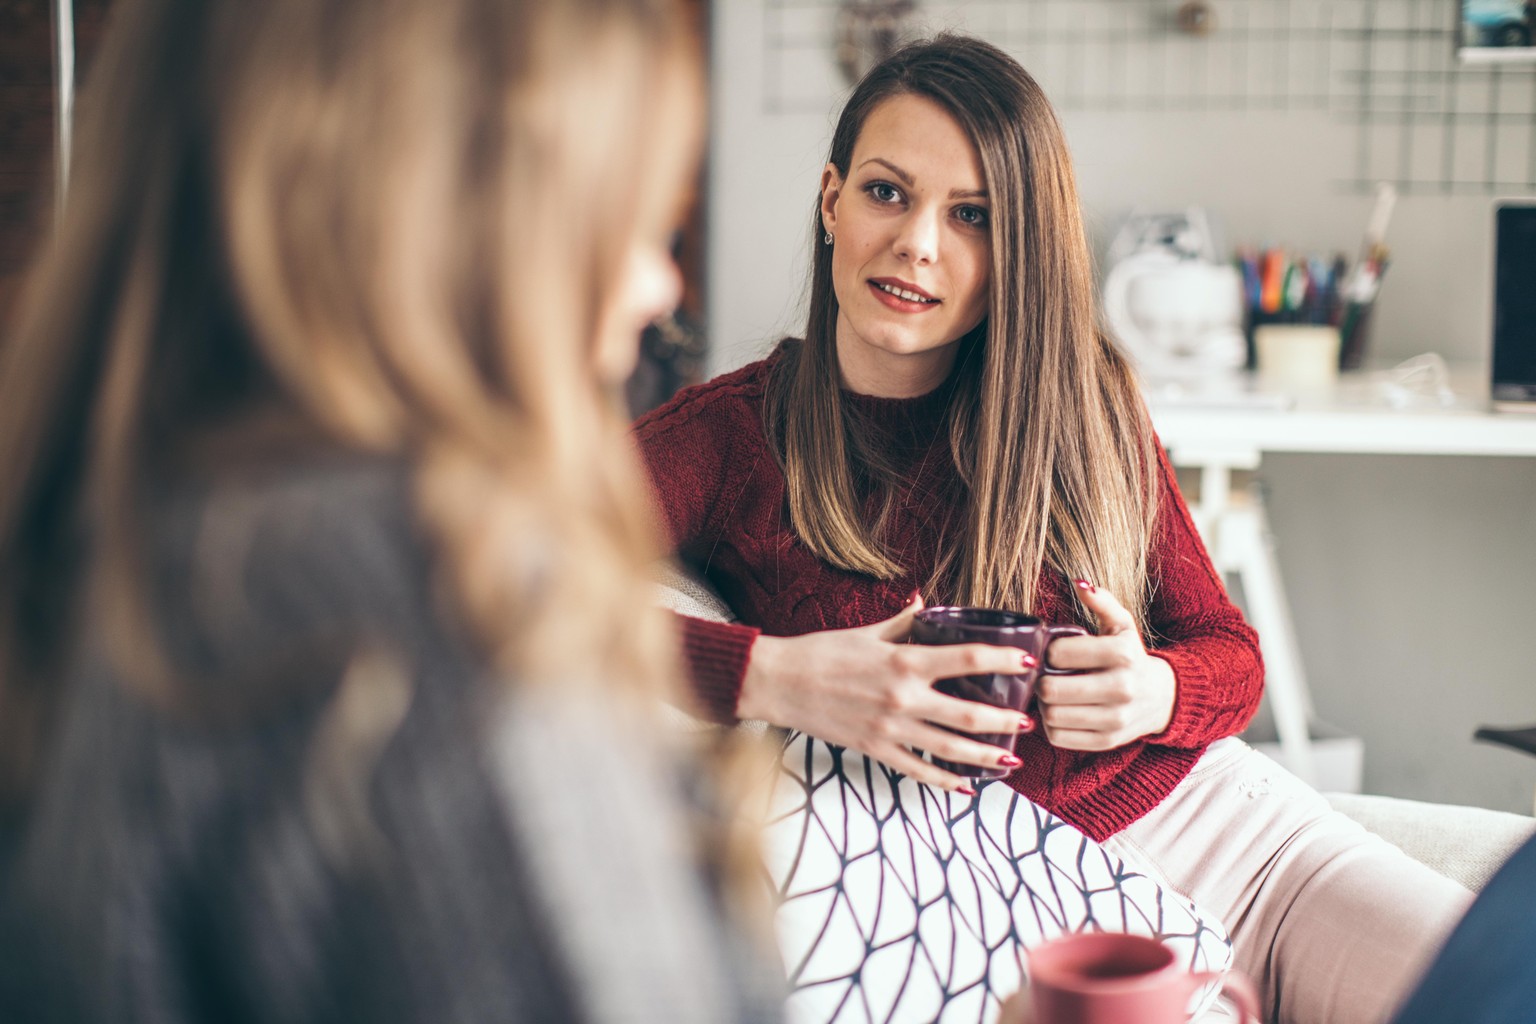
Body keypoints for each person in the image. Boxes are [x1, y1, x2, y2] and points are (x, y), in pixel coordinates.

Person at [636, 33, 1470, 1024]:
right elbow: (510, 578)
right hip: (1003, 906)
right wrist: (779, 675)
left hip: (1235, 844)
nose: (918, 243)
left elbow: (1231, 656)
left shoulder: (1086, 407)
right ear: (830, 200)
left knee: (1494, 980)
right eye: (888, 193)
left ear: (1018, 248)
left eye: (973, 216)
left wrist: (1153, 688)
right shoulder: (730, 434)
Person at [0, 0, 780, 1020]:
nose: (659, 284)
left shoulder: (124, 529)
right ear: (449, 217)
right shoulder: (413, 590)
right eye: (626, 221)